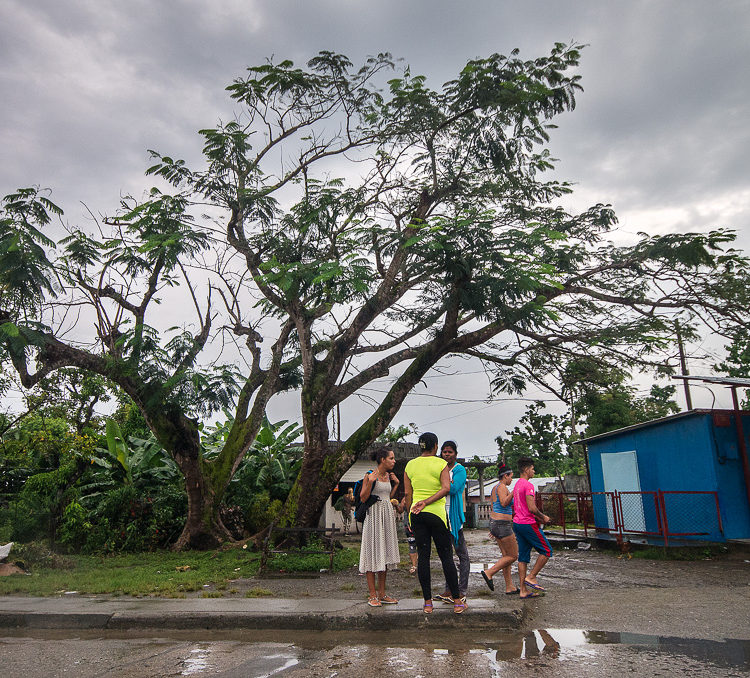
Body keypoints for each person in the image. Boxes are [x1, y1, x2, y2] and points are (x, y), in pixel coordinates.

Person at [403, 432, 465, 614]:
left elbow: (408, 494)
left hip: (416, 515)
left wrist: (410, 514)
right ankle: (457, 601)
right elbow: (446, 488)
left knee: (423, 557)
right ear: (436, 446)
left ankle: (428, 603)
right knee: (446, 556)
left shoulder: (410, 465)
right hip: (436, 514)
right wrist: (428, 502)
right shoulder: (441, 464)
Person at [358, 447, 402, 606]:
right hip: (373, 517)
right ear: (382, 459)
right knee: (371, 553)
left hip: (386, 516)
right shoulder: (370, 475)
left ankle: (382, 594)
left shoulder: (388, 476)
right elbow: (363, 498)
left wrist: (395, 485)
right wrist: (369, 482)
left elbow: (386, 497)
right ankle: (372, 595)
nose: (394, 461)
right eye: (391, 458)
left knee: (384, 554)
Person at [434, 440, 469, 604]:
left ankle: (462, 590)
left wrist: (443, 484)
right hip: (441, 516)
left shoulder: (459, 470)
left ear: (455, 453)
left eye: (450, 452)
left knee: (462, 555)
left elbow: (453, 489)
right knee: (446, 556)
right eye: (444, 452)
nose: (447, 454)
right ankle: (449, 590)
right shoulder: (439, 468)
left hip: (454, 518)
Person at [512, 457, 552, 599]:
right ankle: (532, 576)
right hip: (528, 523)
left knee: (523, 557)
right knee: (547, 550)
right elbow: (532, 507)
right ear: (526, 469)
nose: (534, 471)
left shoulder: (517, 484)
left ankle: (523, 590)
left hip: (517, 523)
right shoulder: (528, 485)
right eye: (533, 469)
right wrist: (543, 517)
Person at [481, 463, 519, 594]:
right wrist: (514, 492)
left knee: (506, 557)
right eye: (511, 477)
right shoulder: (502, 487)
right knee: (513, 555)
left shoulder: (494, 488)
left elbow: (493, 506)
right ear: (505, 476)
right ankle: (489, 572)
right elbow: (503, 502)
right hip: (503, 524)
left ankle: (510, 587)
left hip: (496, 522)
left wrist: (493, 527)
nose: (511, 480)